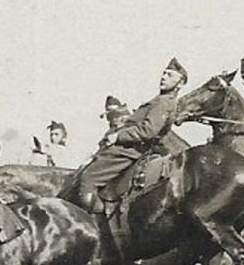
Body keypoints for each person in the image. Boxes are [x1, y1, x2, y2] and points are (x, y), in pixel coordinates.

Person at [73, 59, 187, 211]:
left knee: (88, 178)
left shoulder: (164, 103)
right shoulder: (161, 101)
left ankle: (92, 222)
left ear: (180, 83)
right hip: (128, 149)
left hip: (127, 151)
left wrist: (118, 136)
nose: (164, 77)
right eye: (164, 73)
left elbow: (148, 131)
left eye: (170, 75)